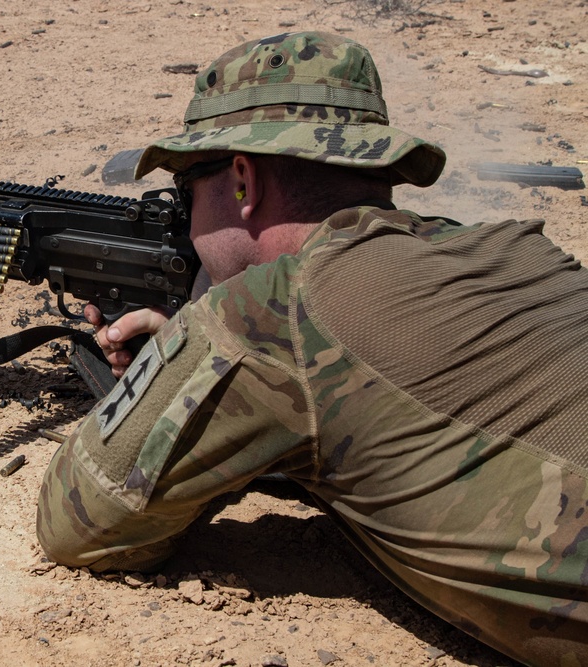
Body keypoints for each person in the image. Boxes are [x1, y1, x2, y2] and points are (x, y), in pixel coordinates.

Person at [36, 31, 588, 667]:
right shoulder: (520, 250)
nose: (187, 213)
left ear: (242, 179)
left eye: (189, 186)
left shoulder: (277, 310)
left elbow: (79, 524)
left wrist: (202, 348)